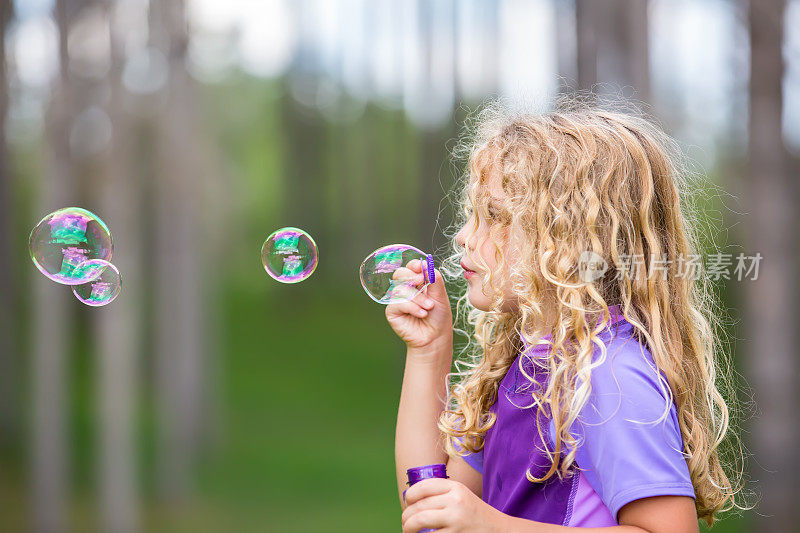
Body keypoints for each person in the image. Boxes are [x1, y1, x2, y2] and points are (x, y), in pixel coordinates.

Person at [388, 99, 750, 532]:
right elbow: (430, 506)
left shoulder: (611, 373)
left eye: (494, 216)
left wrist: (492, 526)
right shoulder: (527, 365)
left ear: (568, 240)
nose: (464, 236)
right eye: (473, 215)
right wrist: (429, 352)